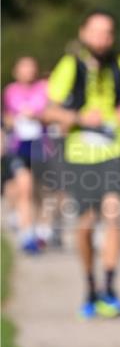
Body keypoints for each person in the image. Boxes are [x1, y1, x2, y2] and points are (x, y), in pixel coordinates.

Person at [44, 11, 120, 318]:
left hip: (114, 149)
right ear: (84, 33)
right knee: (86, 222)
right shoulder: (70, 65)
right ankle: (90, 285)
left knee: (113, 214)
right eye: (97, 32)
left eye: (108, 32)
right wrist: (79, 118)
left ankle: (110, 288)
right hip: (79, 153)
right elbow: (48, 111)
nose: (103, 38)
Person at [2, 56, 50, 253]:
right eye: (24, 67)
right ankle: (27, 235)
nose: (28, 71)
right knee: (24, 187)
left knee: (40, 190)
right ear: (16, 71)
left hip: (42, 145)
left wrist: (36, 116)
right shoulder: (10, 91)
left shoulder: (45, 88)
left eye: (31, 67)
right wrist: (13, 121)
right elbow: (6, 117)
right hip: (19, 146)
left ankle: (42, 229)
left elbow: (54, 114)